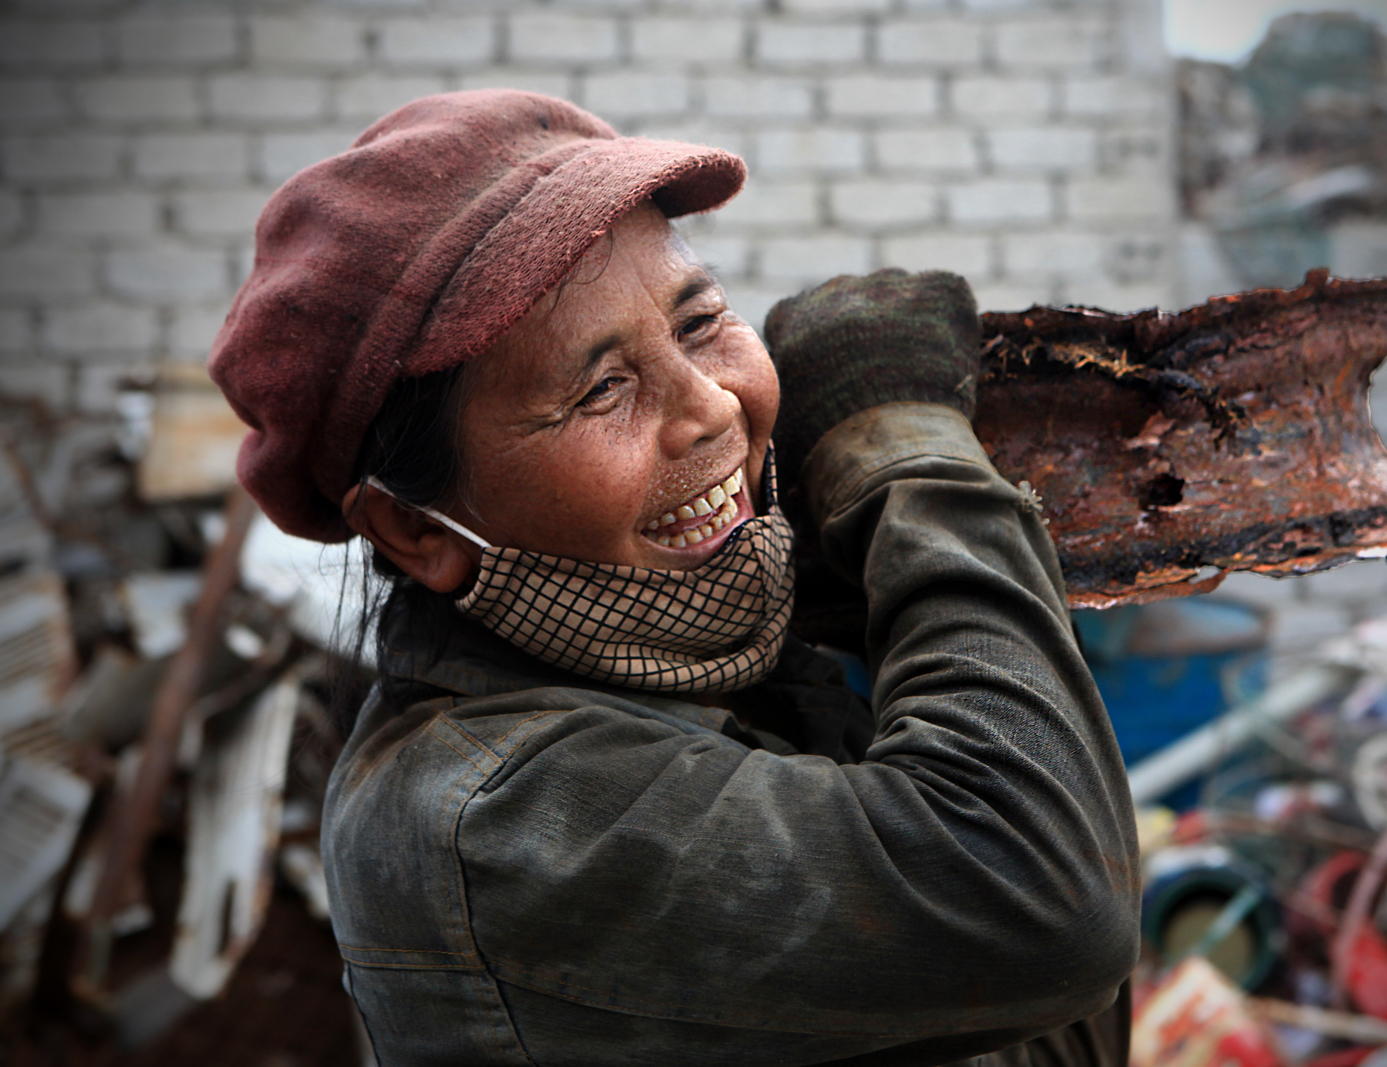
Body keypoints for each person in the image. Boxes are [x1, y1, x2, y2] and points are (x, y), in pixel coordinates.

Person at [210, 90, 1140, 1067]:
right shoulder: (488, 815)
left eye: (698, 323)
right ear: (411, 527)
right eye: (600, 387)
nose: (709, 410)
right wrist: (906, 454)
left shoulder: (701, 647)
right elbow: (1037, 898)